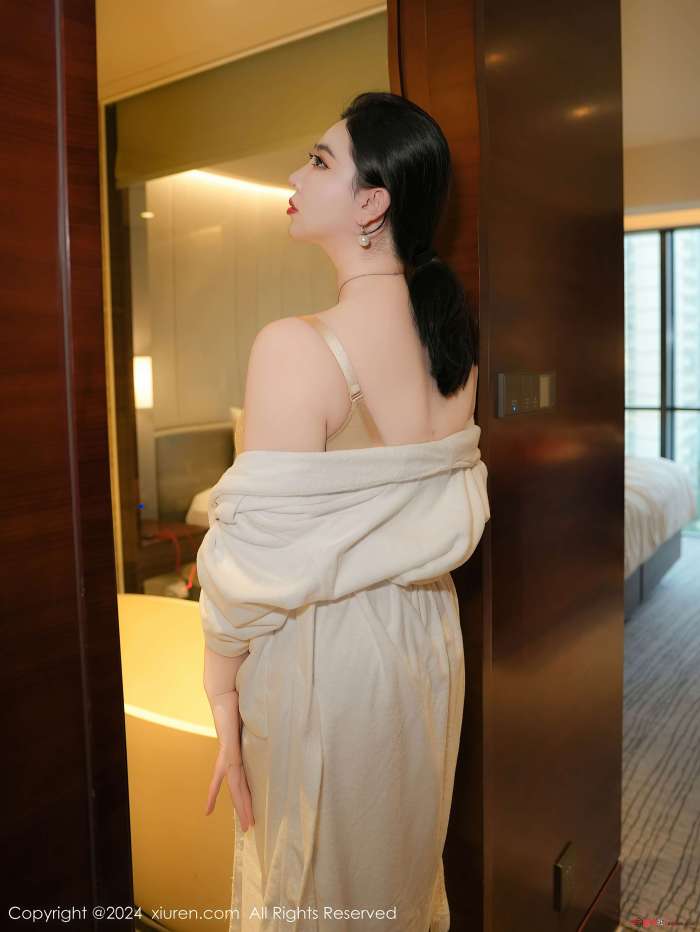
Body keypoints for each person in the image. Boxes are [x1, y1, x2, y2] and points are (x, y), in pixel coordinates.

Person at [197, 91, 490, 932]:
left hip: (331, 654)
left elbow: (254, 563)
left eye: (319, 161)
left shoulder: (294, 345)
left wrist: (219, 685)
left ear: (372, 203)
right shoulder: (453, 349)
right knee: (397, 874)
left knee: (315, 889)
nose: (294, 177)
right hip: (426, 642)